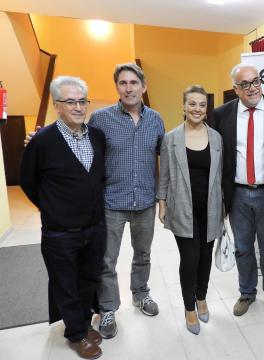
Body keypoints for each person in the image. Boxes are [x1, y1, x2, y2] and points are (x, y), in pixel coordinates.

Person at [24, 63, 165, 339]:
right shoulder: (100, 119)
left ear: (143, 87)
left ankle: (141, 294)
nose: (128, 88)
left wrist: (163, 197)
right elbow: (71, 136)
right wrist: (37, 137)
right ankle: (108, 307)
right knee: (106, 261)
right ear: (117, 88)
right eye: (122, 83)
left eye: (133, 83)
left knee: (144, 254)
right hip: (111, 202)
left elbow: (163, 156)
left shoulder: (156, 120)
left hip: (145, 201)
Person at [20, 76, 106, 359]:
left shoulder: (96, 136)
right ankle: (76, 334)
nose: (79, 107)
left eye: (82, 101)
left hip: (94, 226)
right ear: (57, 105)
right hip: (60, 232)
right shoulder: (42, 140)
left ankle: (81, 322)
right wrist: (51, 207)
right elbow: (28, 182)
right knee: (65, 283)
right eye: (71, 101)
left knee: (88, 279)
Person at [214, 63, 264, 320]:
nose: (253, 87)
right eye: (245, 84)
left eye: (256, 81)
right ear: (235, 89)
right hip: (238, 195)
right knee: (243, 248)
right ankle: (246, 293)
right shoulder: (221, 114)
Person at [157, 85, 223, 335]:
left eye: (202, 104)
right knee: (190, 258)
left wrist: (224, 207)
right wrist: (161, 202)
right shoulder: (171, 138)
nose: (197, 108)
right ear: (183, 106)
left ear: (207, 109)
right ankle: (189, 307)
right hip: (182, 207)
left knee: (206, 257)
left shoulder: (216, 138)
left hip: (211, 207)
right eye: (192, 104)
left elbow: (220, 176)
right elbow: (163, 175)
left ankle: (202, 297)